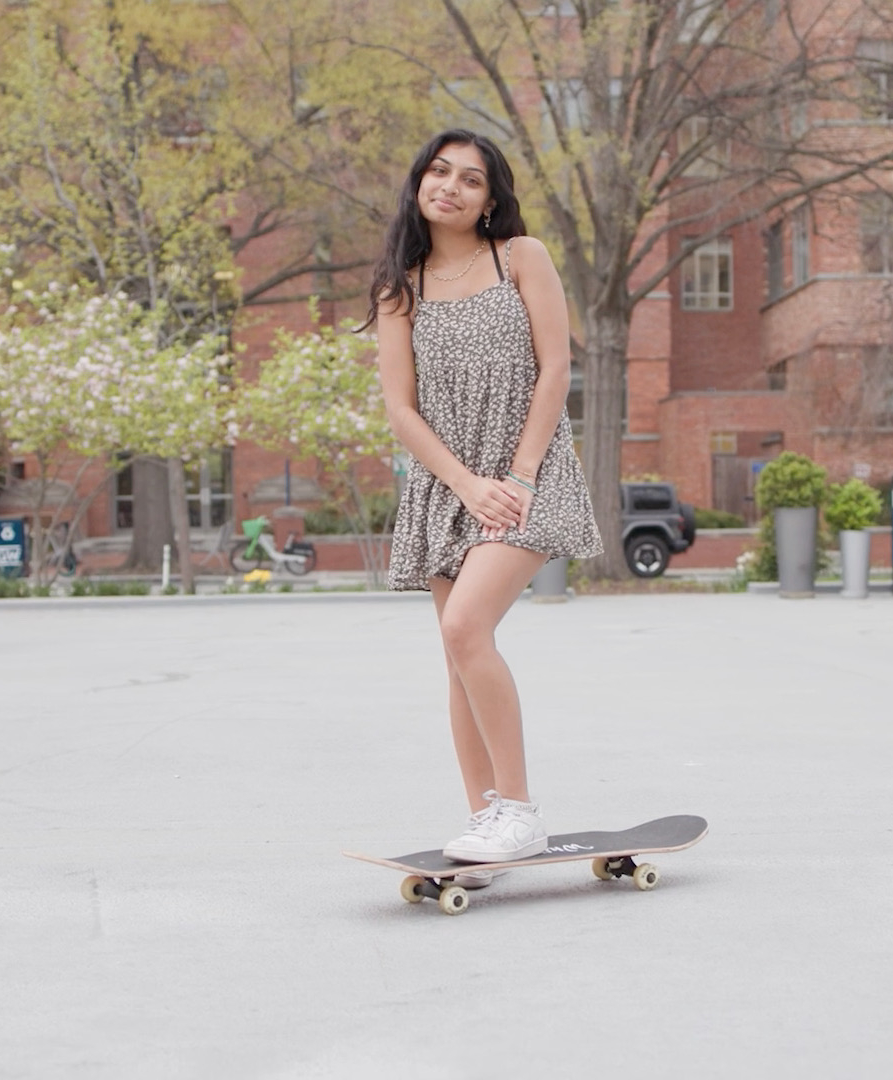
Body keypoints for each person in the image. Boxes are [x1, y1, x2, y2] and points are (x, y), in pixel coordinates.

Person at [366, 130, 603, 889]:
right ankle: (487, 821)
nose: (451, 187)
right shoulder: (400, 287)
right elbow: (401, 411)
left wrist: (520, 475)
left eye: (471, 179)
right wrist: (467, 484)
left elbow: (557, 365)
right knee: (456, 657)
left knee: (467, 628)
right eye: (439, 171)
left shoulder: (521, 258)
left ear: (491, 198)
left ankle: (522, 813)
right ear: (418, 183)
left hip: (528, 476)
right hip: (449, 484)